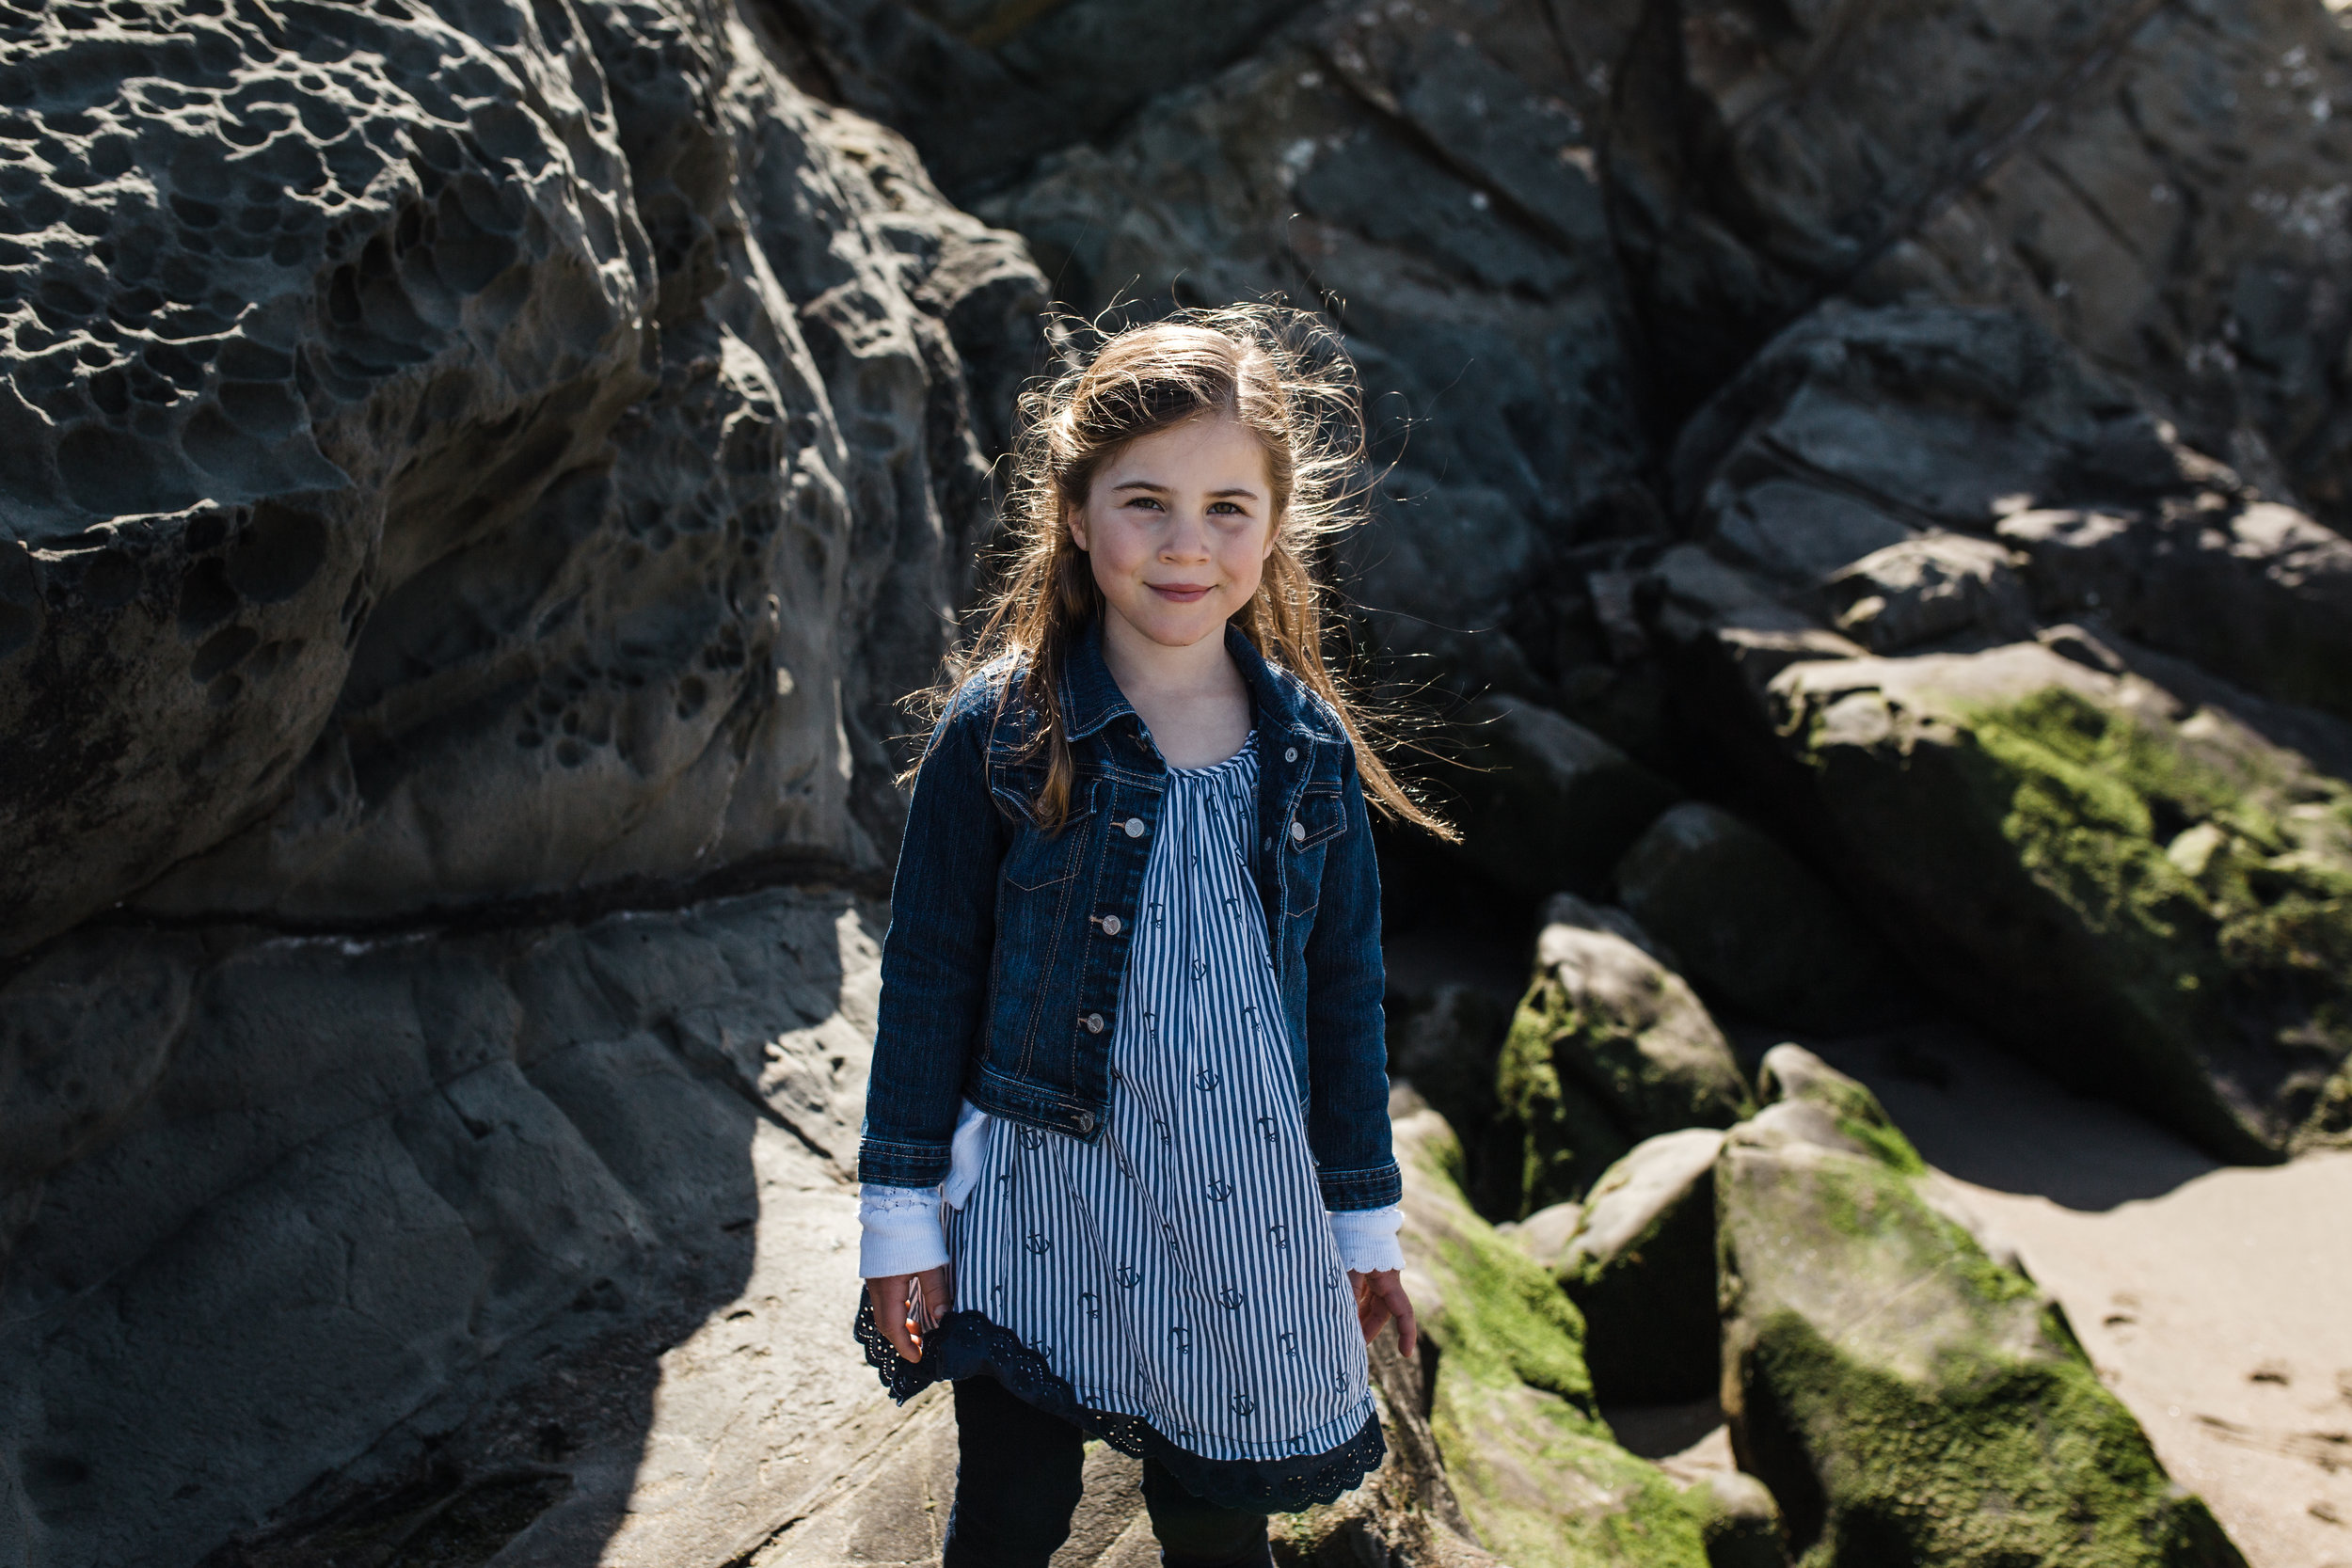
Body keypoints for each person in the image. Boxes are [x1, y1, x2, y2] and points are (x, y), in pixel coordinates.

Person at [851, 304, 1453, 1568]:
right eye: (1146, 502)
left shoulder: (1306, 753)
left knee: (1218, 1520)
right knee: (1014, 1509)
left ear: (1279, 524)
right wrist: (902, 1224)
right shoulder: (1004, 731)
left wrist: (1363, 1233)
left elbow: (1344, 997)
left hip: (1245, 1202)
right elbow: (930, 974)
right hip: (1038, 1193)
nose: (1188, 546)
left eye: (1230, 507)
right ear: (1075, 513)